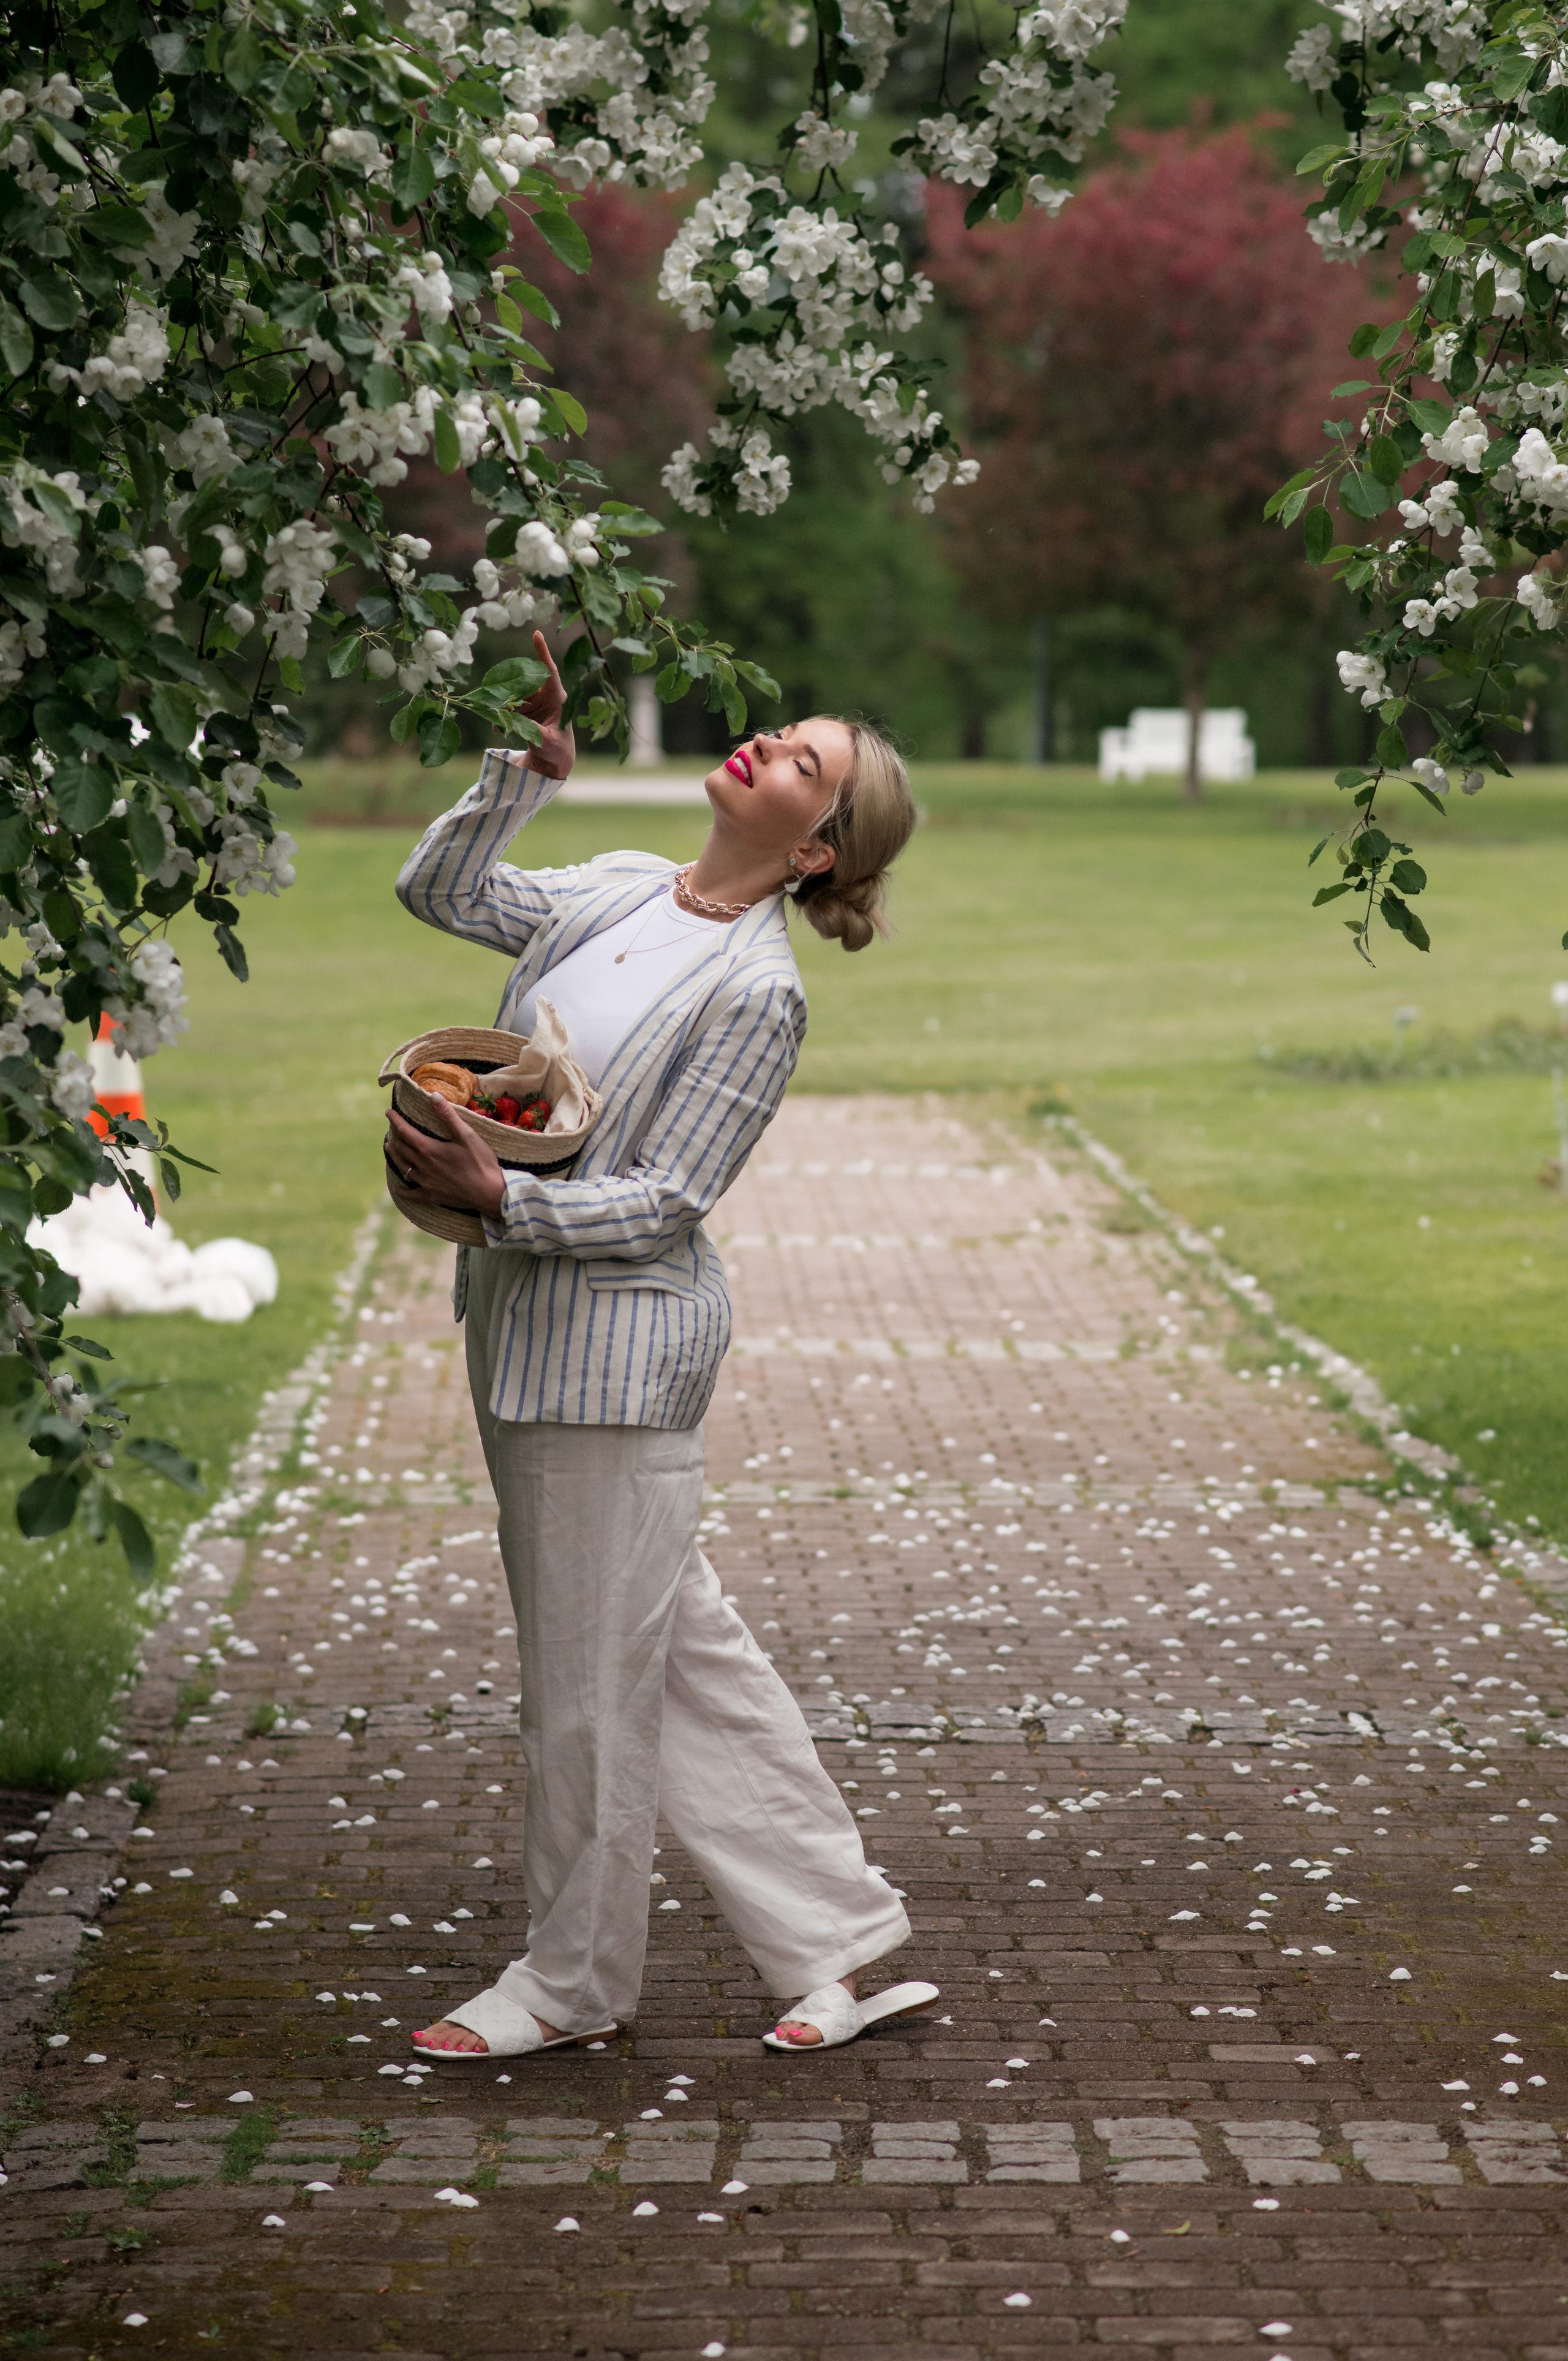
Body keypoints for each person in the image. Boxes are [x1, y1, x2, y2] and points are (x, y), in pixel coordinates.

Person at [387, 632, 936, 2060]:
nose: (764, 745)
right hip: (522, 1326)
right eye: (782, 733)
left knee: (582, 1690)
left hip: (616, 1361)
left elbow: (667, 1199)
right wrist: (523, 770)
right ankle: (839, 1942)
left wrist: (503, 1197)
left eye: (801, 763)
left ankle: (567, 1986)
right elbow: (439, 888)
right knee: (679, 1658)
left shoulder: (758, 994)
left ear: (817, 849)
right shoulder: (627, 885)